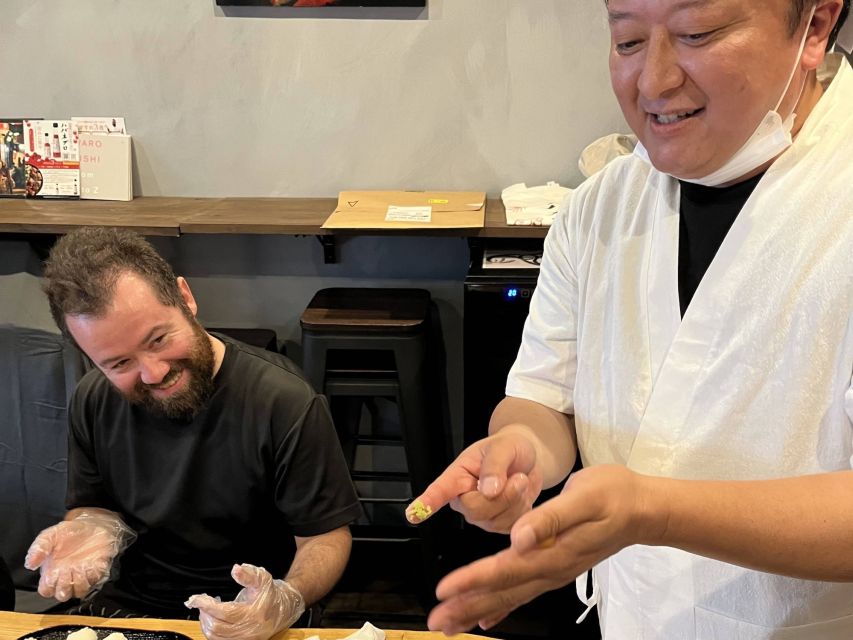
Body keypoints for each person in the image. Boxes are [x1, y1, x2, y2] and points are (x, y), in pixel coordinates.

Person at [408, 0, 853, 638]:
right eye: (627, 41)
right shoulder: (600, 208)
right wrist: (520, 454)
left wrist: (654, 511)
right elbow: (544, 400)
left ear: (813, 25)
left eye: (698, 34)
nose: (653, 81)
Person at [26, 227, 362, 640]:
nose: (153, 372)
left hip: (246, 613)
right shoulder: (92, 400)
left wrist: (285, 597)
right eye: (118, 364)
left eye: (159, 339)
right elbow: (92, 506)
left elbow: (325, 538)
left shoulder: (283, 400)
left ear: (185, 297)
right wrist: (88, 532)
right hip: (133, 609)